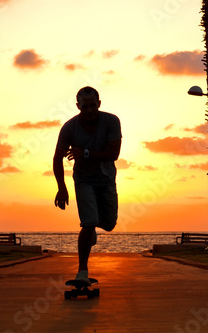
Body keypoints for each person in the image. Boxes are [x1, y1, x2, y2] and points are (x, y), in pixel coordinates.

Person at [53, 86, 122, 286]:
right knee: (88, 222)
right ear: (78, 106)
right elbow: (58, 158)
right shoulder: (69, 128)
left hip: (106, 179)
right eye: (85, 107)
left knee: (109, 224)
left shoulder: (111, 121)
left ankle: (92, 229)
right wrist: (61, 187)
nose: (90, 110)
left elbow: (113, 153)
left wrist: (84, 153)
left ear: (99, 104)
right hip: (84, 180)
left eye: (93, 106)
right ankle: (82, 271)